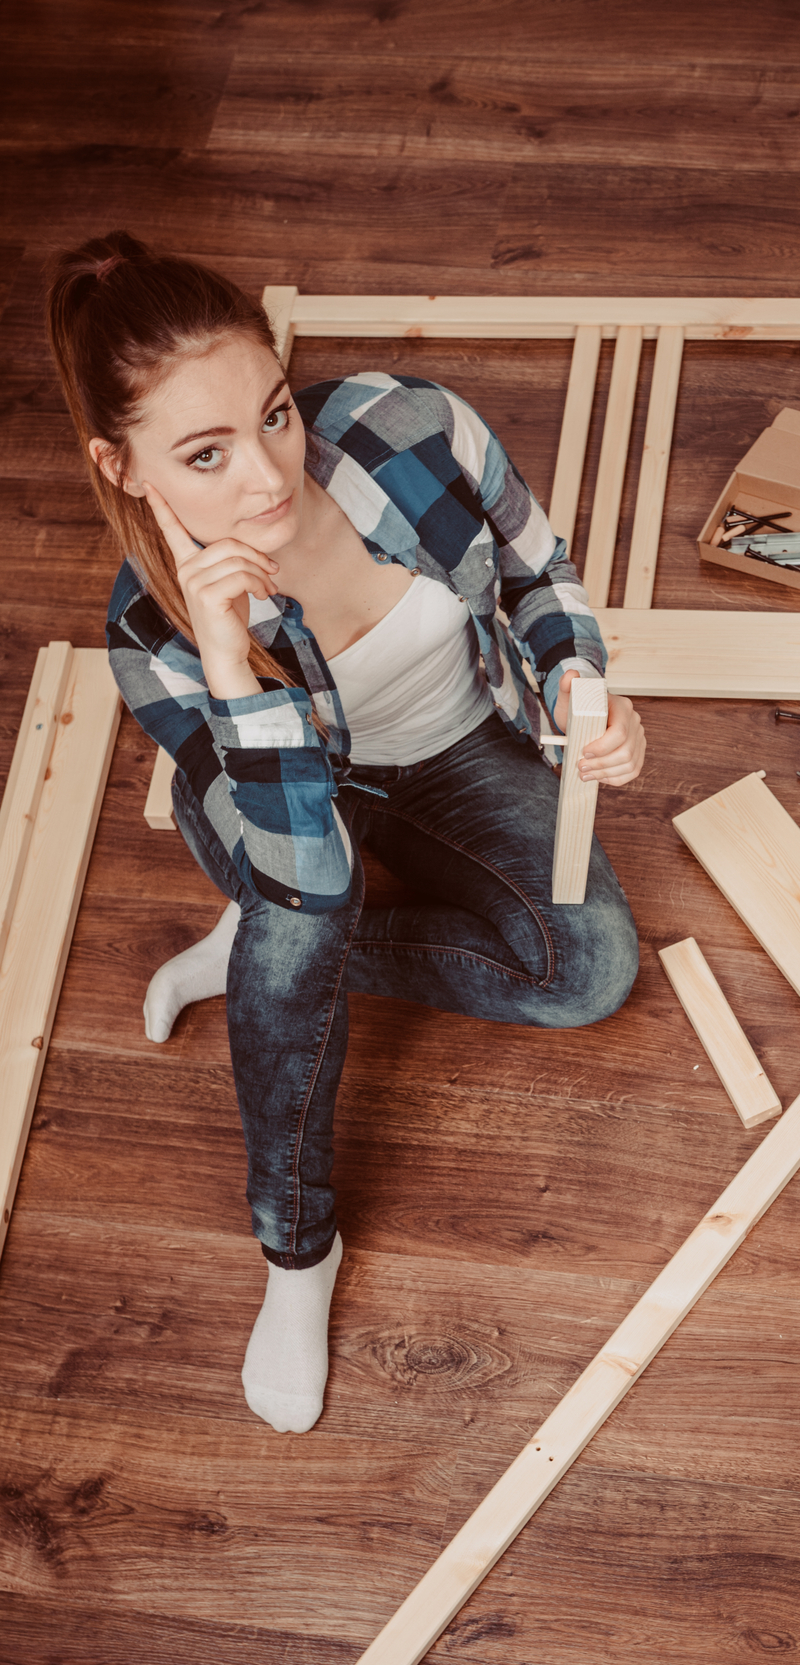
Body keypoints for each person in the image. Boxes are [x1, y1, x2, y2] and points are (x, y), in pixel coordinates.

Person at [47, 233, 645, 1437]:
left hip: (460, 754)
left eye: (272, 414)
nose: (269, 476)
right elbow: (301, 867)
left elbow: (537, 573)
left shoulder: (409, 426)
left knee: (589, 968)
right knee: (293, 921)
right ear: (121, 464)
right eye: (204, 455)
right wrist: (231, 661)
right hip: (296, 823)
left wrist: (581, 686)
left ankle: (255, 968)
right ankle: (296, 1250)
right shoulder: (149, 639)